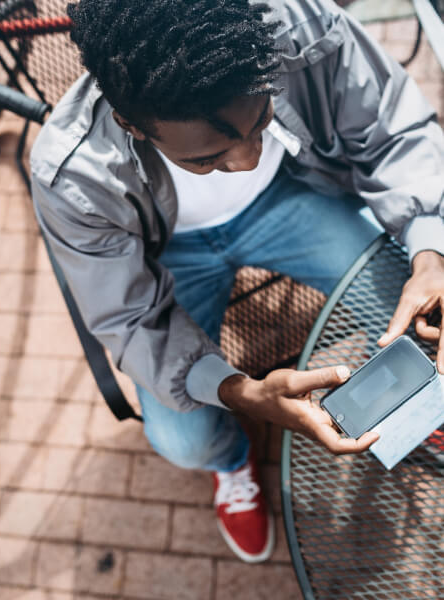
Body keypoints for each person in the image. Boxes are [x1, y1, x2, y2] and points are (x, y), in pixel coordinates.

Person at [30, 0, 444, 563]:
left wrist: (430, 250)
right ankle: (230, 461)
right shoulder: (72, 175)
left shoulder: (299, 23)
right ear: (132, 125)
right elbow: (129, 320)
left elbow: (390, 129)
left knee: (416, 307)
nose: (248, 159)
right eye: (207, 158)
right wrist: (240, 393)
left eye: (263, 120)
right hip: (171, 254)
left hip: (293, 195)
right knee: (184, 440)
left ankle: (418, 406)